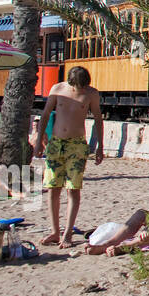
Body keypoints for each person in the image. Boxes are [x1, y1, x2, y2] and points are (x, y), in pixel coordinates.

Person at [36, 67, 104, 248]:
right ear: (70, 82)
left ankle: (67, 233)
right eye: (77, 87)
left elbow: (98, 119)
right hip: (56, 144)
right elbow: (44, 115)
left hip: (77, 145)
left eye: (83, 87)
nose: (79, 90)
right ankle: (55, 231)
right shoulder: (57, 89)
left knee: (73, 189)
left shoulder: (91, 94)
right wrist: (38, 142)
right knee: (53, 188)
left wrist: (99, 147)